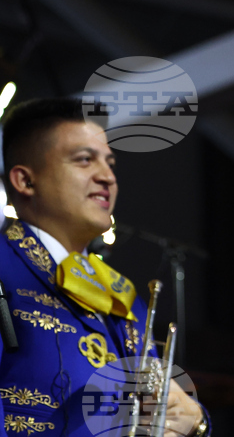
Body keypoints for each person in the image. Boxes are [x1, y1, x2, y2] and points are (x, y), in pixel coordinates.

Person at [0, 98, 208, 436]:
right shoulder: (4, 266)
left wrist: (196, 423)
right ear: (25, 180)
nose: (108, 177)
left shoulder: (124, 295)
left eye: (110, 164)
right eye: (85, 160)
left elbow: (162, 409)